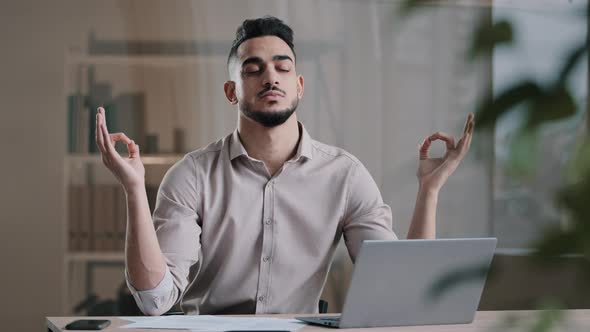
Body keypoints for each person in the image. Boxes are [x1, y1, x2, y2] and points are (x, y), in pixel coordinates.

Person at [95, 16, 474, 316]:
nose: (271, 76)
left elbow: (401, 291)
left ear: (300, 86)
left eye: (282, 66)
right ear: (232, 91)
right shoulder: (192, 176)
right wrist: (133, 190)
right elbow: (154, 300)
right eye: (253, 68)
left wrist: (430, 192)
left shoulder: (345, 174)